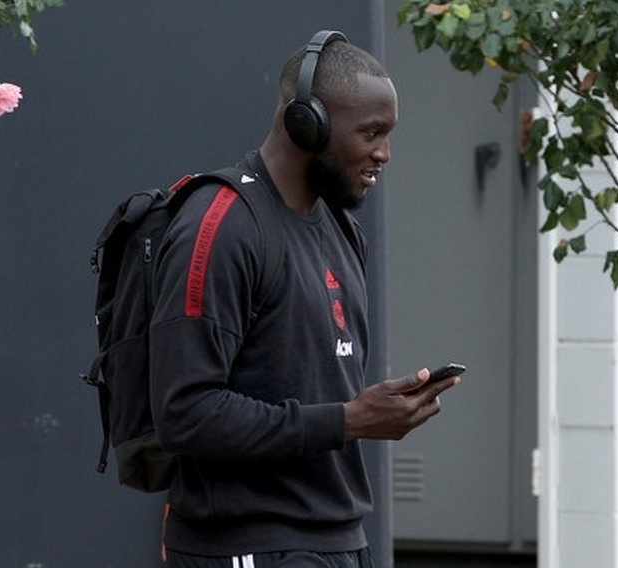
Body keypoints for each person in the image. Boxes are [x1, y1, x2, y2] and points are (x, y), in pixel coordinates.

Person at [150, 30, 461, 568]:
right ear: (307, 123)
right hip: (250, 547)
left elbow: (308, 387)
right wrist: (348, 420)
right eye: (371, 132)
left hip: (340, 541)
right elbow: (186, 413)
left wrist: (371, 411)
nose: (383, 154)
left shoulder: (342, 229)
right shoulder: (222, 226)